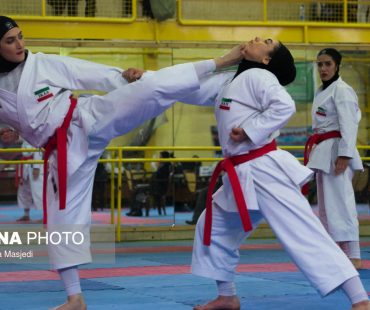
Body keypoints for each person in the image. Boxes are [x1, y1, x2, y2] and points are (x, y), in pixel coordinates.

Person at [0, 15, 243, 310]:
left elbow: (83, 73)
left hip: (87, 119)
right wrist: (11, 132)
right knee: (60, 221)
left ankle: (221, 67)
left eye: (21, 37)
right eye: (10, 40)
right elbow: (19, 120)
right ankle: (74, 298)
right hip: (61, 154)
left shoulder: (40, 63)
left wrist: (122, 77)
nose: (20, 45)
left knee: (153, 87)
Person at [154, 38, 367, 309]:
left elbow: (285, 106)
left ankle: (360, 299)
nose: (256, 38)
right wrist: (148, 79)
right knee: (213, 227)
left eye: (266, 42)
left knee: (305, 232)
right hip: (240, 174)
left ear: (266, 59)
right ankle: (227, 296)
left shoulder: (260, 76)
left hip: (264, 169)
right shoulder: (230, 80)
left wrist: (249, 129)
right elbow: (190, 88)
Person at [304, 48, 364, 271]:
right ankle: (336, 252)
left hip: (337, 149)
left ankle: (355, 255)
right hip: (324, 150)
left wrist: (345, 155)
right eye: (319, 64)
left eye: (327, 64)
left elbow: (349, 124)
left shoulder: (342, 90)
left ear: (337, 65)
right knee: (327, 206)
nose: (323, 69)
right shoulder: (323, 90)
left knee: (342, 202)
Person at [16, 139, 43, 222]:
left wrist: (36, 167)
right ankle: (26, 214)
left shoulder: (36, 139)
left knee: (38, 191)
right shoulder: (25, 140)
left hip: (34, 165)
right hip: (25, 165)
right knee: (23, 190)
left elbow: (39, 153)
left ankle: (45, 215)